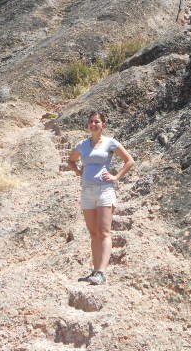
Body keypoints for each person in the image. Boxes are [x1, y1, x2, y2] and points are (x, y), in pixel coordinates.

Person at [68, 110, 134, 285]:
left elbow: (129, 160)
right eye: (91, 121)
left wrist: (116, 177)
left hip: (105, 190)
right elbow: (71, 160)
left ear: (103, 125)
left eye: (97, 122)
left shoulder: (110, 142)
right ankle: (95, 270)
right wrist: (78, 171)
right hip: (87, 191)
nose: (93, 124)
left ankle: (101, 272)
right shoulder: (82, 145)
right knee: (93, 233)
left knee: (104, 232)